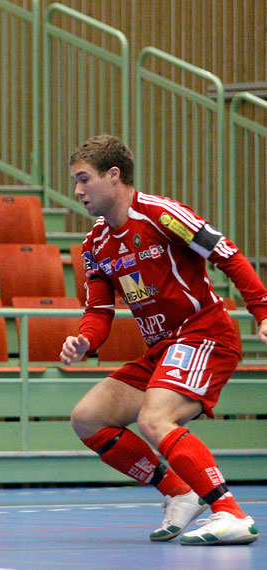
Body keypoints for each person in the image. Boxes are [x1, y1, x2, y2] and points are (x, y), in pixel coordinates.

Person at [60, 134, 267, 546]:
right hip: (162, 350)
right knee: (87, 418)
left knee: (155, 418)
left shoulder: (162, 214)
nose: (78, 191)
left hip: (204, 334)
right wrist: (84, 341)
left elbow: (227, 253)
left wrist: (262, 310)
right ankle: (178, 491)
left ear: (113, 175)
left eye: (84, 179)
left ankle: (231, 514)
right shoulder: (94, 245)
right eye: (74, 182)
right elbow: (99, 312)